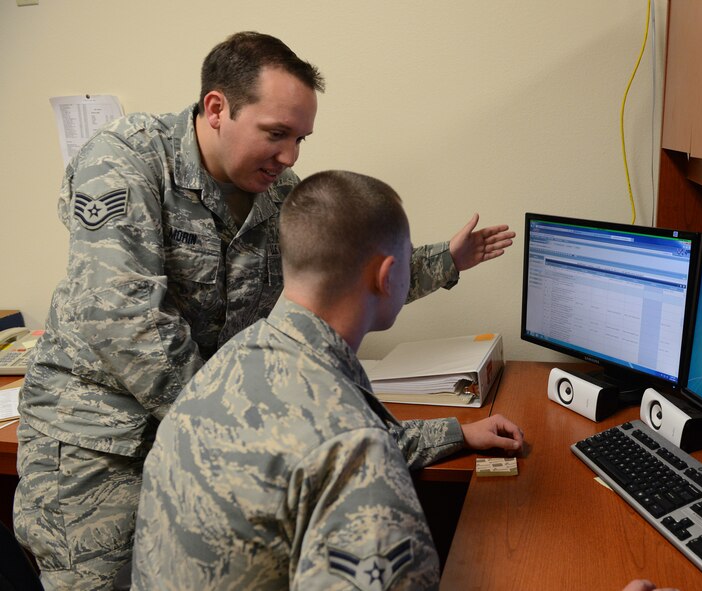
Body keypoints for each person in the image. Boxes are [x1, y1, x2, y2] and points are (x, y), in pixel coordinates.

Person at [14, 32, 515, 591]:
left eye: (300, 138)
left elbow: (336, 275)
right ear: (217, 109)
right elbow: (123, 317)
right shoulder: (126, 159)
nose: (291, 156)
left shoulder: (277, 193)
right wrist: (237, 422)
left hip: (201, 429)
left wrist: (445, 261)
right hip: (100, 442)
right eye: (277, 134)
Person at [130, 171, 676, 591]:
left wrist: (458, 433)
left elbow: (316, 451)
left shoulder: (230, 363)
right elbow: (343, 449)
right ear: (388, 276)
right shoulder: (352, 448)